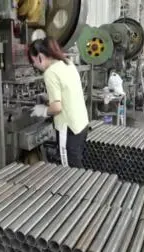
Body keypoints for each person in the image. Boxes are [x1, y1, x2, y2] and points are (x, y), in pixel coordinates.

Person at [27, 37, 89, 168]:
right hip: (82, 124)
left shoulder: (50, 73)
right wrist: (48, 98)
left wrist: (42, 111)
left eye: (33, 62)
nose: (34, 66)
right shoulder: (67, 63)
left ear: (40, 57)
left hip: (69, 128)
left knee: (69, 169)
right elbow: (68, 91)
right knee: (77, 163)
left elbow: (57, 108)